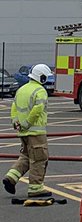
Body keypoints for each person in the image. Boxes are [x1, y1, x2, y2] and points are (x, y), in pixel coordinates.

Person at [3, 63, 54, 205]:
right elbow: (38, 110)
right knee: (39, 158)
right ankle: (36, 188)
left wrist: (16, 121)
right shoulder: (40, 90)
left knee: (26, 156)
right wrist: (27, 123)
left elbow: (14, 106)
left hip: (23, 132)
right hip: (35, 132)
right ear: (41, 77)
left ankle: (11, 177)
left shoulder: (22, 89)